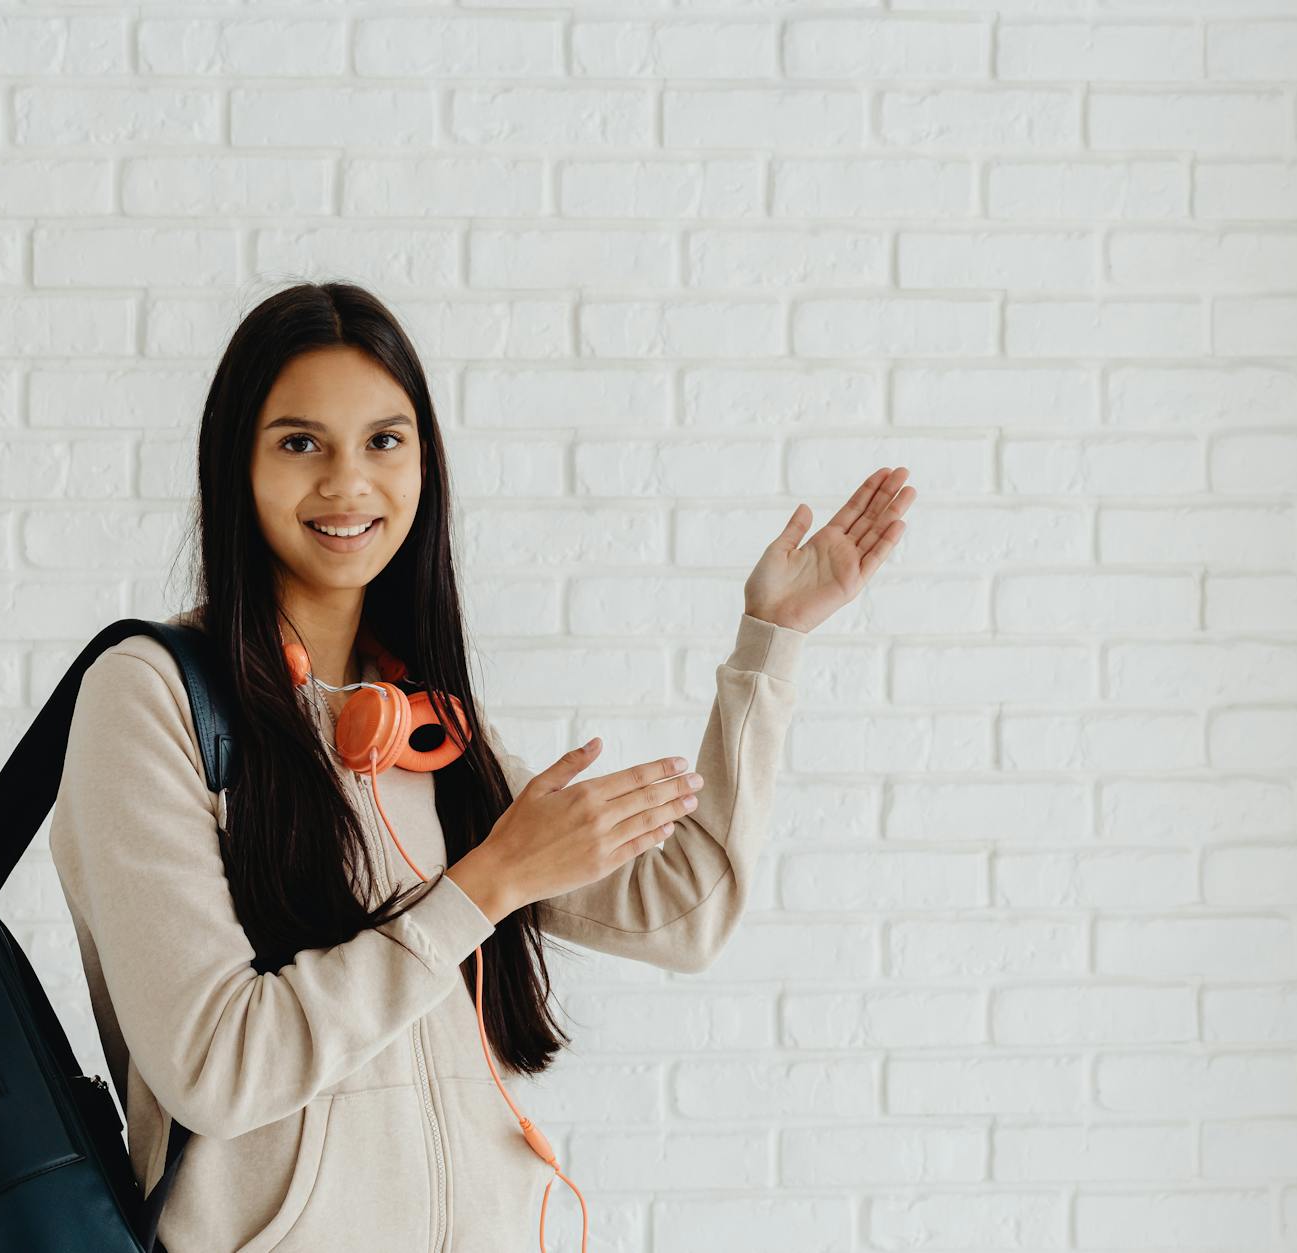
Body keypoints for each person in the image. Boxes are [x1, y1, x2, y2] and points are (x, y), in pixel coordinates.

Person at [46, 280, 914, 1252]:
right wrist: (485, 883)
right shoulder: (151, 696)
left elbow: (685, 909)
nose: (348, 483)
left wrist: (771, 641)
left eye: (384, 440)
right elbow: (218, 1065)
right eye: (300, 442)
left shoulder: (421, 719)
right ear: (235, 465)